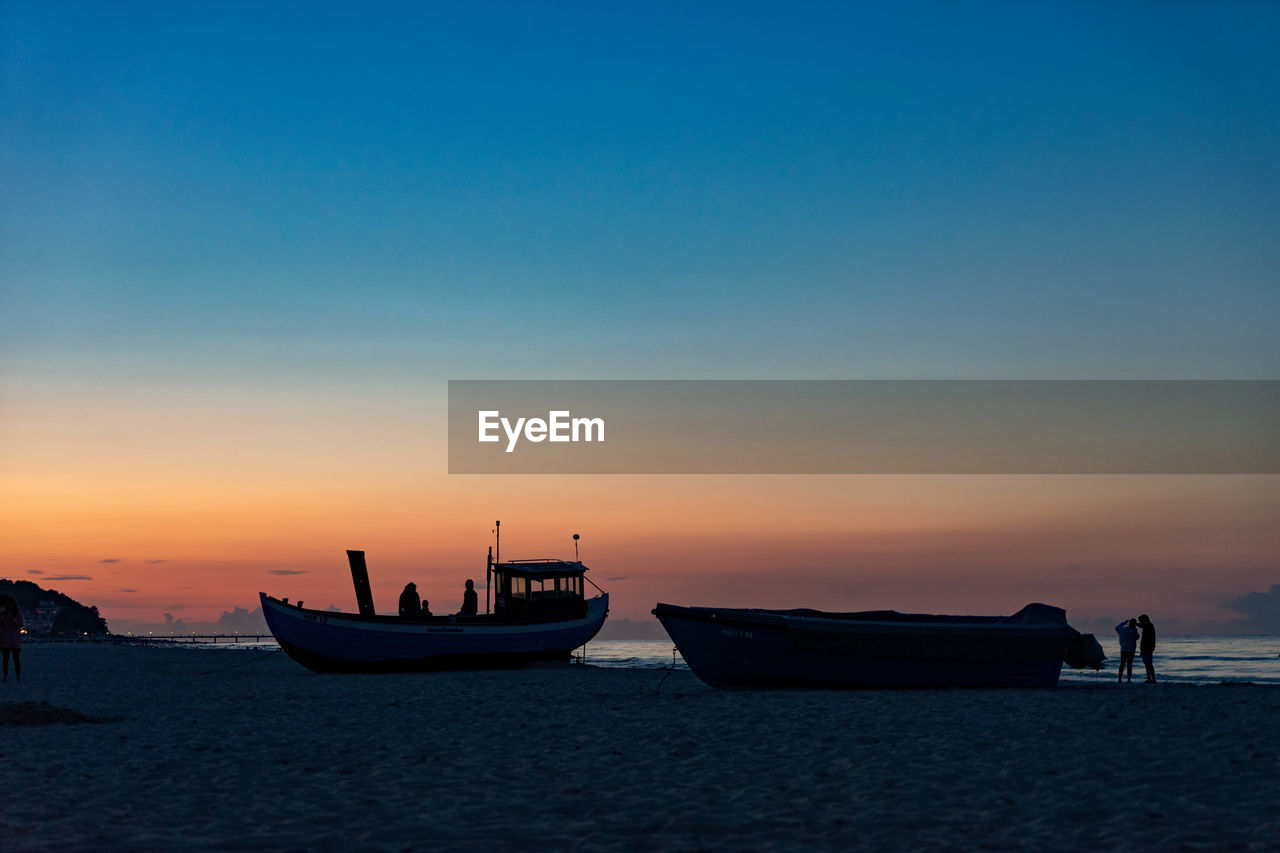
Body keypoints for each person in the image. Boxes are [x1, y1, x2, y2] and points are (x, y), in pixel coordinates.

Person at [0, 595, 23, 683]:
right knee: (5, 659)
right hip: (5, 638)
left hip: (14, 638)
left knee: (16, 659)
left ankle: (18, 676)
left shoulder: (17, 613)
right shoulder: (3, 613)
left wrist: (13, 619)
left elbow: (20, 624)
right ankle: (5, 676)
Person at [1115, 618, 1139, 683]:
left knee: (1122, 664)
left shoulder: (1122, 629)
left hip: (1123, 649)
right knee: (1129, 664)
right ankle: (1129, 679)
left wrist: (1124, 623)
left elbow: (1116, 627)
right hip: (1131, 650)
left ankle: (1119, 678)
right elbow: (1137, 637)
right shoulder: (1134, 630)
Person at [1137, 614, 1157, 683]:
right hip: (1146, 648)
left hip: (1147, 648)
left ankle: (1152, 678)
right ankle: (1150, 678)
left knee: (1149, 664)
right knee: (1147, 664)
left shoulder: (1148, 625)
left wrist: (1135, 623)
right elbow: (1141, 625)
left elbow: (1141, 625)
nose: (1140, 622)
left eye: (1140, 620)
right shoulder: (1148, 626)